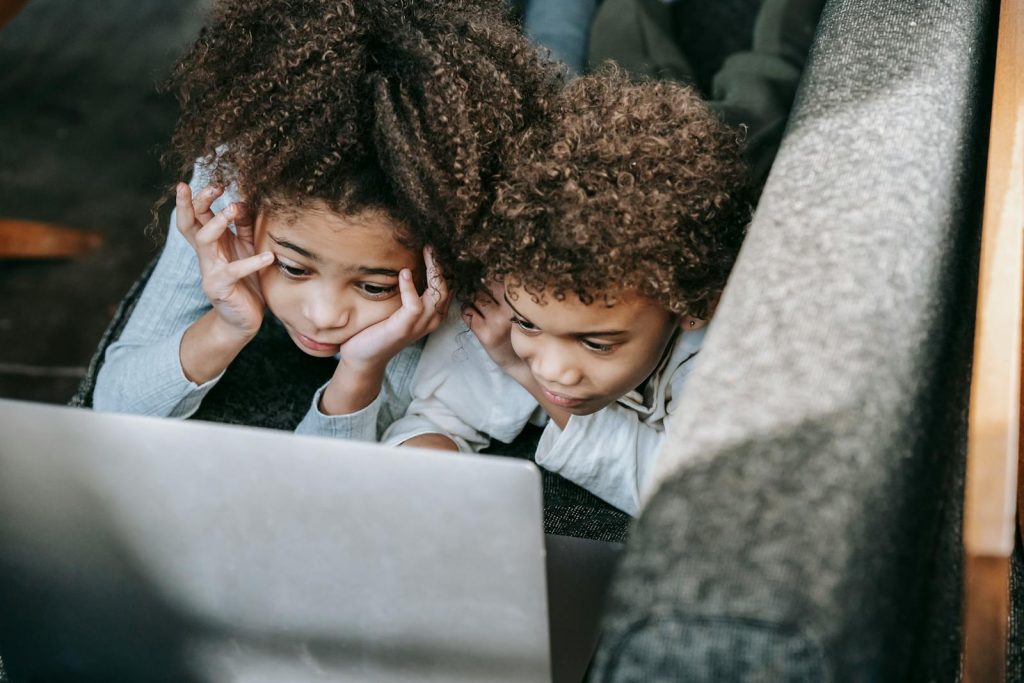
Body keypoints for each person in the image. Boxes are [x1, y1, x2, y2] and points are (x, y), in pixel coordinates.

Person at [92, 0, 560, 444]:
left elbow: (354, 469)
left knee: (558, 47)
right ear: (251, 215)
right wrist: (224, 327)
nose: (323, 316)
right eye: (293, 268)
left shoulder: (466, 240)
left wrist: (362, 367)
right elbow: (114, 409)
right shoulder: (228, 197)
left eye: (375, 287)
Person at [385, 68, 752, 515]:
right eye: (527, 325)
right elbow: (434, 417)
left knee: (752, 106)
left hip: (743, 140)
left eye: (597, 344)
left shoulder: (715, 361)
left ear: (691, 306)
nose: (555, 371)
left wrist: (521, 371)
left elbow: (686, 492)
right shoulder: (511, 299)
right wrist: (426, 461)